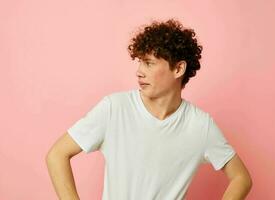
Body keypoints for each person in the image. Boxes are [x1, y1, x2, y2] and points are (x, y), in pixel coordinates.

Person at [46, 18, 252, 200]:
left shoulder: (200, 125)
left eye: (149, 63)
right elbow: (57, 155)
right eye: (139, 62)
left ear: (178, 69)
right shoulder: (114, 109)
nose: (139, 72)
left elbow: (241, 178)